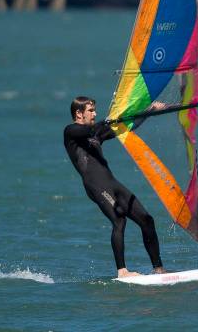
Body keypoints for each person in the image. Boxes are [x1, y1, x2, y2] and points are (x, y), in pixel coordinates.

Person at [63, 95, 167, 277]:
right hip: (96, 186)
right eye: (91, 111)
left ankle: (158, 269)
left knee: (147, 220)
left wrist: (149, 112)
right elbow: (91, 130)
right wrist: (109, 120)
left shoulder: (96, 133)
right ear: (79, 114)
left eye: (95, 110)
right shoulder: (70, 132)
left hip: (112, 183)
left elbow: (126, 126)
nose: (94, 113)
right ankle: (122, 271)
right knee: (119, 220)